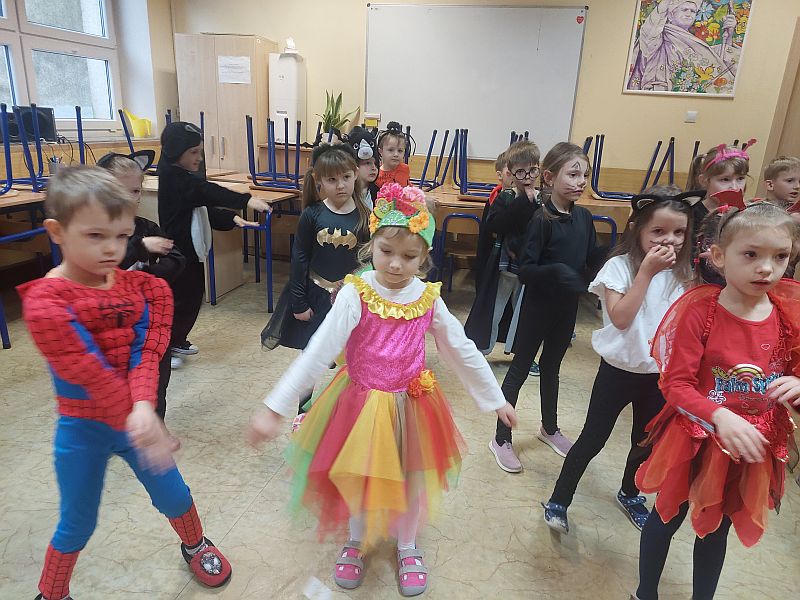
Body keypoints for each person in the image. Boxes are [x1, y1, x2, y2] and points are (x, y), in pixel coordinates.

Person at [248, 183, 517, 597]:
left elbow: (461, 349)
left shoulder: (427, 298)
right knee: (359, 474)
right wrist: (276, 406)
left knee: (411, 479)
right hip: (359, 403)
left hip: (412, 406)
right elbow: (320, 350)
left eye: (409, 256)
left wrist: (495, 398)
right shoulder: (356, 293)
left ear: (424, 257)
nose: (395, 264)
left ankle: (407, 545)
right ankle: (356, 540)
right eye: (386, 251)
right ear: (370, 245)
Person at [19, 167, 232, 600]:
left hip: (136, 420)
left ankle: (195, 544)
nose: (112, 249)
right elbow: (89, 370)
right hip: (83, 430)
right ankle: (52, 592)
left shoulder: (142, 289)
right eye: (96, 236)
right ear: (57, 232)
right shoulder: (46, 301)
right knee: (77, 521)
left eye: (122, 236)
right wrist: (141, 417)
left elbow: (145, 352)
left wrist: (143, 408)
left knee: (175, 494)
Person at [633, 202, 800, 600]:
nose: (766, 268)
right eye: (751, 254)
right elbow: (676, 385)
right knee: (667, 515)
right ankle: (645, 592)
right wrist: (719, 416)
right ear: (720, 257)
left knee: (717, 527)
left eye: (780, 257)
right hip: (695, 435)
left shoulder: (787, 313)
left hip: (750, 443)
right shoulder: (701, 312)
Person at [542, 187, 693, 534]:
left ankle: (630, 493)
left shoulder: (684, 274)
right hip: (617, 372)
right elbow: (622, 318)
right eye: (658, 231)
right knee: (592, 439)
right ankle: (559, 499)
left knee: (644, 442)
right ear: (637, 229)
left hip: (657, 376)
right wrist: (646, 273)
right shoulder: (619, 268)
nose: (669, 240)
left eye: (679, 232)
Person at [491, 142, 605, 472]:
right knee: (519, 370)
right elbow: (526, 271)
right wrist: (556, 272)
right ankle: (501, 438)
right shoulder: (541, 219)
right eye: (573, 174)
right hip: (538, 308)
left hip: (566, 309)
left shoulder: (584, 217)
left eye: (585, 175)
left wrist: (617, 253)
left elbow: (591, 258)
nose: (581, 181)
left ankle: (549, 428)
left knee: (552, 368)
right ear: (550, 177)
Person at [260, 144, 370, 414]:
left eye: (346, 177)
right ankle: (304, 411)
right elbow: (299, 258)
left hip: (350, 300)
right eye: (332, 179)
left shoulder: (365, 217)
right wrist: (299, 302)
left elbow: (368, 262)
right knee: (311, 355)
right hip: (316, 295)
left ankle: (348, 409)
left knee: (351, 356)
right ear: (319, 181)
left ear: (355, 175)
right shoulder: (312, 215)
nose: (340, 185)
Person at [157, 121, 270, 368]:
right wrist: (245, 200)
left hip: (190, 252)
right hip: (179, 253)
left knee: (191, 297)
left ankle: (177, 340)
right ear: (176, 152)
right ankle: (168, 347)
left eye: (200, 151)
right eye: (193, 152)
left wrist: (231, 218)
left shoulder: (182, 179)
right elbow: (206, 192)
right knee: (183, 300)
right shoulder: (174, 178)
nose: (199, 158)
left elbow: (201, 208)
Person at [97, 151, 184, 429]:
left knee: (156, 387)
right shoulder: (94, 234)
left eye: (135, 191)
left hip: (150, 330)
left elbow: (177, 259)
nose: (129, 198)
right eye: (119, 191)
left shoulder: (146, 227)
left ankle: (154, 430)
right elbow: (102, 269)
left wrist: (146, 277)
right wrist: (141, 247)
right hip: (112, 331)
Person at [465, 140, 541, 361]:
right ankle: (482, 350)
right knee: (494, 310)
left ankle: (524, 356)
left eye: (532, 171)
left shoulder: (542, 200)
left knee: (525, 314)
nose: (527, 177)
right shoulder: (505, 198)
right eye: (521, 172)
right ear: (511, 173)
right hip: (505, 267)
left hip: (530, 269)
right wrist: (522, 203)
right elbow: (494, 225)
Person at [627, 0, 738, 93]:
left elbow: (717, 58)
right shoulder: (658, 36)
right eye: (684, 10)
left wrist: (729, 35)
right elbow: (648, 33)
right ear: (670, 15)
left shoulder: (695, 42)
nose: (689, 14)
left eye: (693, 11)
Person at [346, 125, 381, 210]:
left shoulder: (377, 193)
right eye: (367, 163)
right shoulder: (347, 193)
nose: (374, 168)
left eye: (375, 163)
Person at [375, 121, 411, 187]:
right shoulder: (376, 174)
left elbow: (408, 186)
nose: (396, 154)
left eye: (400, 151)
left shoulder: (405, 169)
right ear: (381, 151)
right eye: (390, 150)